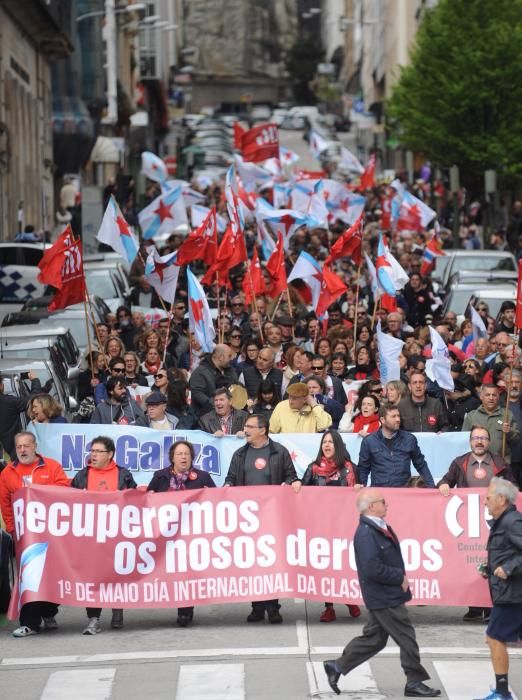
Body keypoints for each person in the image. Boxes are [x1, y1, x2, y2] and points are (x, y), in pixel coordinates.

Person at [323, 488, 441, 698]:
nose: (387, 504)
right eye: (383, 501)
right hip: (384, 596)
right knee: (407, 637)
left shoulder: (378, 527)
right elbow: (372, 568)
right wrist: (399, 577)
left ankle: (337, 666)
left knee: (375, 638)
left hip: (385, 594)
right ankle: (414, 681)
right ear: (371, 506)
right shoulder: (366, 533)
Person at [224, 413, 301, 624]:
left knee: (271, 562)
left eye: (250, 426)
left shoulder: (279, 452)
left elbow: (291, 476)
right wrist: (228, 486)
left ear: (262, 430)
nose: (245, 430)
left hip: (273, 517)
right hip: (248, 519)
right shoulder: (240, 455)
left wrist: (293, 483)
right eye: (245, 426)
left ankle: (272, 606)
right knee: (253, 563)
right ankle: (256, 606)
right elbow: (230, 478)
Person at [438, 425, 515, 624]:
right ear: (470, 441)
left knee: (493, 560)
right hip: (468, 523)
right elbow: (446, 480)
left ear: (489, 442)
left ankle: (490, 606)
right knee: (469, 562)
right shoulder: (459, 462)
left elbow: (513, 488)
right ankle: (473, 606)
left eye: (483, 438)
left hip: (494, 522)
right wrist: (444, 485)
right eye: (475, 438)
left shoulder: (500, 463)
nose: (479, 441)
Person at [0, 432, 69, 637]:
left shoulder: (52, 466)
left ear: (35, 446)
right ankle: (30, 622)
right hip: (25, 537)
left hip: (51, 533)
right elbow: (5, 503)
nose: (22, 450)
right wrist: (13, 530)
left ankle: (49, 611)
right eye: (19, 446)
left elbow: (64, 492)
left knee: (51, 575)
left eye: (26, 446)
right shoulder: (8, 473)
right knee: (29, 576)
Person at [71, 436, 136, 634]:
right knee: (93, 577)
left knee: (117, 573)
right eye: (92, 451)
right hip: (90, 536)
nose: (94, 455)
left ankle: (117, 610)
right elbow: (69, 501)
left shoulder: (123, 474)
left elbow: (134, 500)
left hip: (116, 534)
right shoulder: (82, 475)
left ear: (110, 454)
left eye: (99, 451)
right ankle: (93, 618)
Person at [147, 440, 216, 627]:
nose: (184, 457)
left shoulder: (202, 476)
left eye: (187, 454)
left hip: (192, 534)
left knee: (187, 573)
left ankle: (185, 610)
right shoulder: (160, 476)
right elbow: (148, 500)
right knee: (171, 572)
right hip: (167, 535)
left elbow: (217, 501)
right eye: (180, 454)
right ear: (172, 457)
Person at [301, 429, 361, 622]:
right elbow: (302, 493)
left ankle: (350, 599)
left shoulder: (350, 468)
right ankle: (329, 607)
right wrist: (295, 487)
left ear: (338, 445)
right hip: (321, 526)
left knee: (345, 564)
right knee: (326, 566)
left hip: (345, 524)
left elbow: (360, 492)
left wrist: (359, 488)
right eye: (324, 442)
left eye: (331, 442)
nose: (326, 445)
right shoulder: (313, 468)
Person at [476, 477, 522, 700]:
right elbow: (509, 552)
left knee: (494, 637)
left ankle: (503, 694)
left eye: (488, 498)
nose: (485, 502)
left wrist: (509, 568)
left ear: (502, 499)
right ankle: (502, 691)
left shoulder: (512, 522)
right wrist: (491, 567)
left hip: (513, 594)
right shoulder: (504, 521)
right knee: (495, 637)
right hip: (508, 591)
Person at [357, 404, 436, 487]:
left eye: (398, 416)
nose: (398, 419)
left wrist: (432, 487)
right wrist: (362, 488)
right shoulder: (369, 441)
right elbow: (363, 469)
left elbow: (421, 465)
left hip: (403, 492)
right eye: (393, 416)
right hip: (379, 493)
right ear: (383, 420)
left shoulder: (409, 439)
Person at [462, 385, 520, 463]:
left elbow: (516, 441)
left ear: (498, 397)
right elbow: (464, 441)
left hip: (501, 463)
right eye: (487, 395)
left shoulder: (507, 415)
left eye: (494, 395)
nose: (491, 398)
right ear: (481, 396)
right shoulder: (471, 416)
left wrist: (509, 432)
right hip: (477, 463)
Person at [0, 371, 42, 458]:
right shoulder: (9, 402)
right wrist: (35, 380)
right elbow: (32, 399)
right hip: (13, 454)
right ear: (1, 386)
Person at [189, 344, 238, 418]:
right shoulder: (200, 372)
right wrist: (217, 404)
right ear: (221, 357)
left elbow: (236, 387)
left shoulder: (230, 371)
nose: (231, 359)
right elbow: (197, 393)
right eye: (229, 356)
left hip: (228, 416)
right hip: (205, 417)